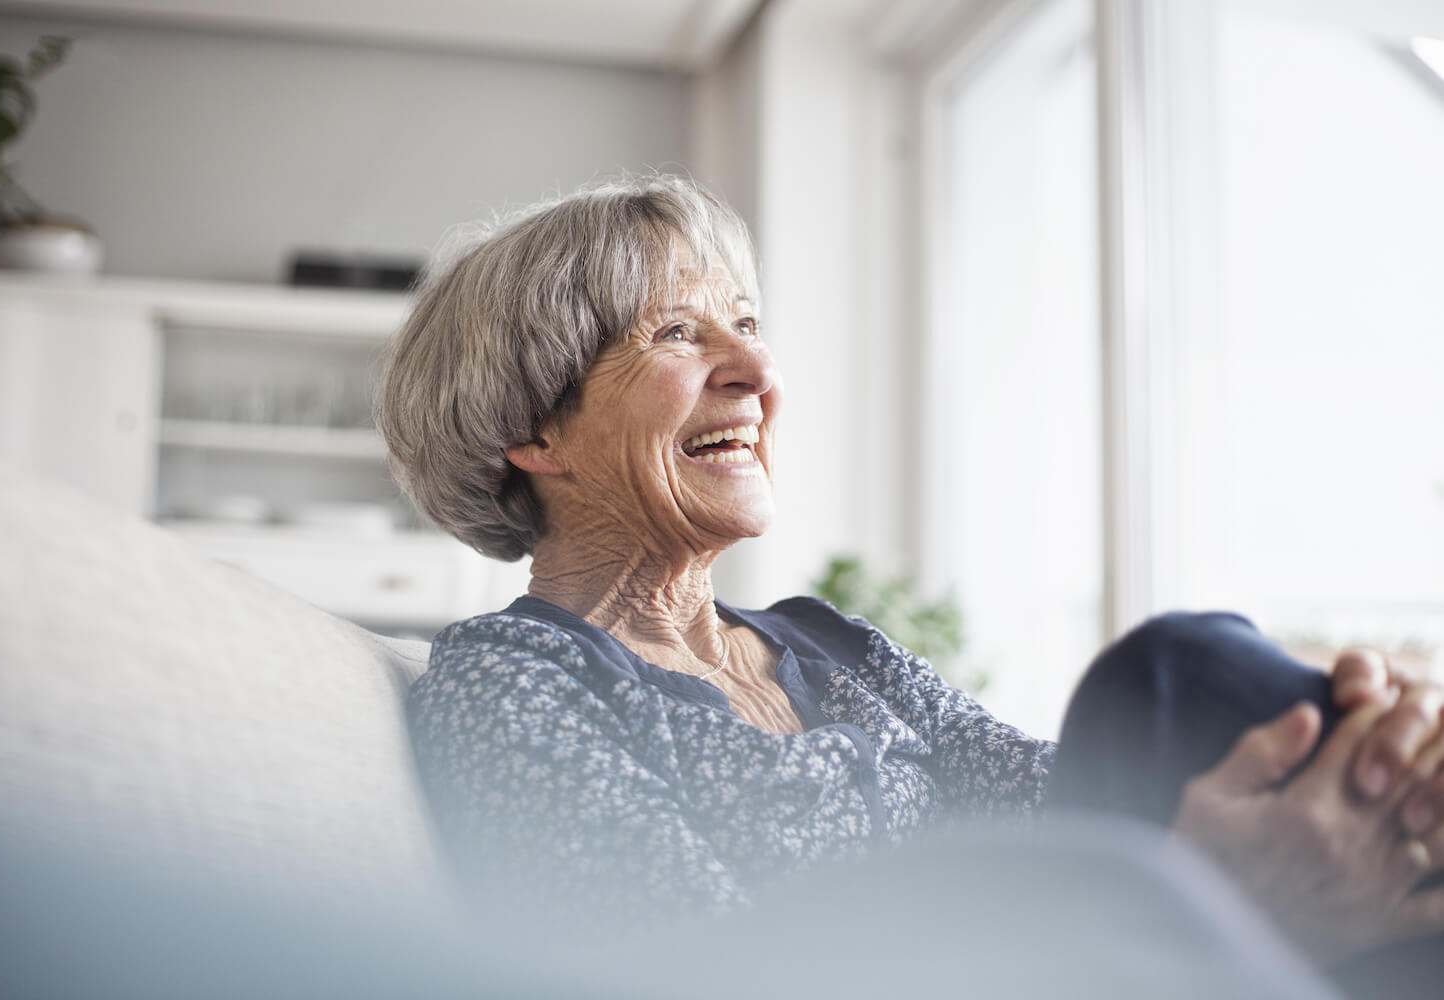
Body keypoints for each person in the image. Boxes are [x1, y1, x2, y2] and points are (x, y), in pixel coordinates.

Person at [375, 173, 1444, 981]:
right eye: (674, 332)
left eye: (745, 326)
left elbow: (1072, 788)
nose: (756, 371)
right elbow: (693, 973)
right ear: (534, 433)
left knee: (1172, 681)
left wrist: (1315, 764)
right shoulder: (513, 683)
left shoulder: (826, 644)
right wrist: (1200, 900)